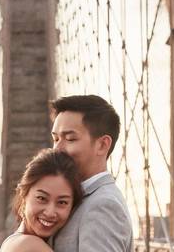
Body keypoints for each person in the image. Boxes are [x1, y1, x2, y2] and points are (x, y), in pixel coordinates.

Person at [50, 95, 133, 252]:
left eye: (70, 139)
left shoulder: (103, 205)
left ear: (102, 145)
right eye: (55, 139)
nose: (57, 149)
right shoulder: (75, 198)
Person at [0, 149, 84, 252]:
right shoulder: (29, 245)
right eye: (41, 198)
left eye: (62, 202)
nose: (50, 213)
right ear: (24, 196)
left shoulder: (14, 242)